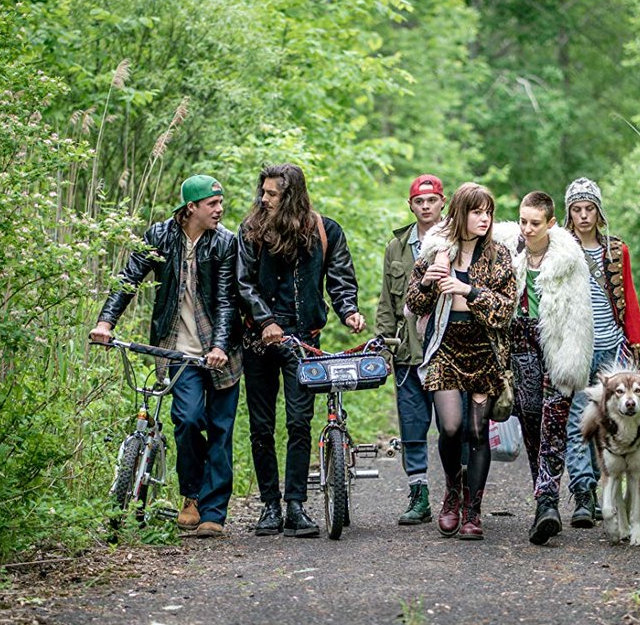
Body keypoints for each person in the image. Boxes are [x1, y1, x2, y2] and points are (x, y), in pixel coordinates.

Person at [90, 174, 242, 538]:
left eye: (220, 203)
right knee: (187, 420)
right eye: (212, 204)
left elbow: (226, 300)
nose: (219, 210)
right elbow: (129, 280)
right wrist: (105, 322)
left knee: (220, 430)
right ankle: (192, 495)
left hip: (221, 351)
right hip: (177, 349)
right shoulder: (159, 237)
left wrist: (220, 346)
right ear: (191, 207)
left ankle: (214, 513)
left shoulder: (225, 242)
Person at [237, 163, 366, 538]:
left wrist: (349, 311)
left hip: (304, 340)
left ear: (291, 196)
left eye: (272, 194)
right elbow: (243, 284)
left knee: (299, 422)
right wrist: (265, 321)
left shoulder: (326, 231)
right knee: (261, 427)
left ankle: (295, 505)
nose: (264, 199)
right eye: (262, 192)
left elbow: (340, 279)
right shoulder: (250, 230)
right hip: (259, 340)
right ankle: (269, 507)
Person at [406, 182, 516, 541]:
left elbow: (505, 310)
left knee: (476, 431)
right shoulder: (437, 249)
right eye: (477, 212)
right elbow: (413, 304)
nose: (484, 219)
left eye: (488, 212)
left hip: (484, 350)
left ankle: (473, 509)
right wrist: (427, 283)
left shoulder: (499, 255)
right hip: (445, 347)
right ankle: (452, 493)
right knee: (451, 427)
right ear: (459, 213)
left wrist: (469, 290)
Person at [492, 192, 594, 545]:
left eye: (535, 223)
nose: (527, 228)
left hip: (557, 345)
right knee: (532, 422)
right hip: (520, 342)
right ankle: (544, 501)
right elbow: (462, 233)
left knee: (554, 424)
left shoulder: (569, 258)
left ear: (551, 223)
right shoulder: (507, 244)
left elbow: (581, 314)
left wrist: (573, 363)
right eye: (523, 221)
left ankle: (547, 503)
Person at [561, 177, 640, 528]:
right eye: (577, 209)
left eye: (590, 208)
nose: (584, 215)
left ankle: (607, 490)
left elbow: (628, 296)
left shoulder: (616, 250)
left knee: (610, 422)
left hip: (613, 347)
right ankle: (583, 492)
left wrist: (637, 341)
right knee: (577, 421)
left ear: (599, 212)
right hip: (577, 347)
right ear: (569, 213)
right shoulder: (561, 248)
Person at [377, 174, 446, 525]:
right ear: (411, 206)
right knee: (413, 425)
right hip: (408, 351)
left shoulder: (456, 241)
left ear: (443, 202)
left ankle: (459, 494)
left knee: (454, 427)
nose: (426, 206)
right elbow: (387, 303)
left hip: (448, 351)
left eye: (431, 200)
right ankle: (419, 495)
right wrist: (383, 347)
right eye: (419, 201)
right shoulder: (397, 246)